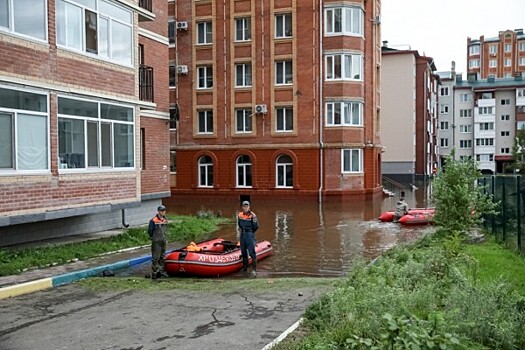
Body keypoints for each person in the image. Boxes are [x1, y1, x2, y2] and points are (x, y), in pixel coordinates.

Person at [237, 201, 259, 277]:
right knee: (243, 251)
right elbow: (239, 224)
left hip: (249, 234)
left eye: (247, 206)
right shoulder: (239, 215)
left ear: (249, 207)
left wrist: (250, 233)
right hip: (242, 234)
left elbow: (256, 227)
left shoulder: (253, 216)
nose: (245, 207)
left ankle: (254, 270)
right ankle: (245, 268)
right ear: (242, 207)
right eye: (244, 206)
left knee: (252, 252)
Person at [148, 205, 169, 279]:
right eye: (162, 211)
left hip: (163, 241)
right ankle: (154, 272)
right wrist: (153, 238)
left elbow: (166, 230)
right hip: (156, 242)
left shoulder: (165, 220)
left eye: (164, 210)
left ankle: (161, 271)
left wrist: (166, 239)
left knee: (162, 257)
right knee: (155, 257)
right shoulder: (153, 220)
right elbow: (150, 231)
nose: (163, 212)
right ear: (158, 211)